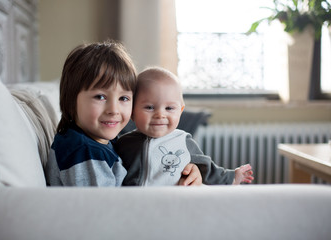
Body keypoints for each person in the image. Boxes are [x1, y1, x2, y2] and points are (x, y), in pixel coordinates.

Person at [45, 42, 200, 187]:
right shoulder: (84, 152)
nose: (114, 109)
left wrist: (187, 171)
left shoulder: (101, 141)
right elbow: (104, 211)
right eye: (100, 97)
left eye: (123, 98)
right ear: (71, 99)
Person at [115, 67, 254, 186]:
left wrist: (231, 177)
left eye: (169, 108)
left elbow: (206, 166)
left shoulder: (182, 140)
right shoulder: (123, 143)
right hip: (136, 204)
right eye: (149, 107)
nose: (160, 114)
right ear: (132, 112)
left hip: (174, 203)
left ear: (180, 112)